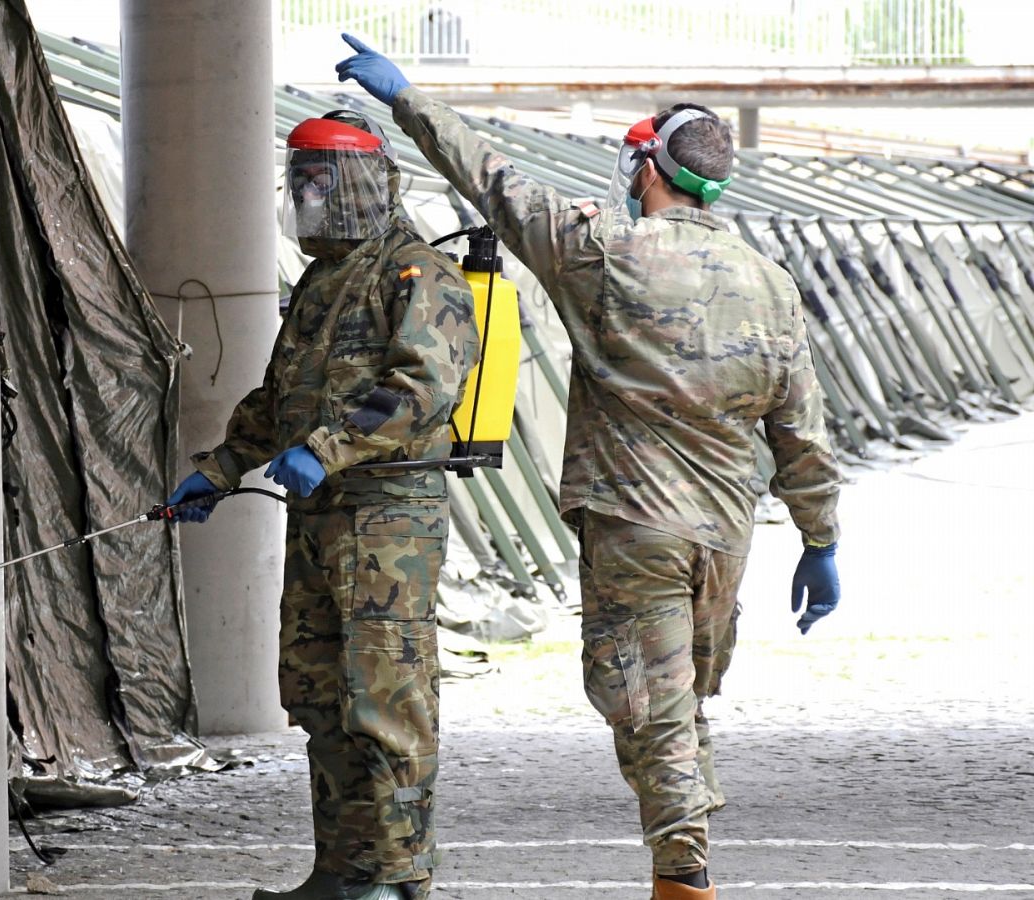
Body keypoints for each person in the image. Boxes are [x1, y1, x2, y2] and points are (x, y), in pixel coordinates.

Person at [335, 35, 844, 900]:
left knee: (649, 711)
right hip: (724, 540)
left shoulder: (600, 248)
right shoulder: (770, 282)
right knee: (679, 704)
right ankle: (684, 861)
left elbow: (489, 178)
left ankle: (684, 877)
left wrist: (407, 98)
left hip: (634, 527)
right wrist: (819, 539)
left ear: (649, 168)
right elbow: (801, 432)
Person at [167, 110, 479, 900]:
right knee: (316, 690)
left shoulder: (415, 273)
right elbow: (280, 397)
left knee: (385, 698)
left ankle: (400, 876)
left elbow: (423, 388)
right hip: (320, 517)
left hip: (387, 520)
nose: (309, 195)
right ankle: (344, 870)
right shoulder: (321, 281)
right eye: (300, 179)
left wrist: (328, 449)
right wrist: (221, 466)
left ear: (368, 182)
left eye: (322, 179)